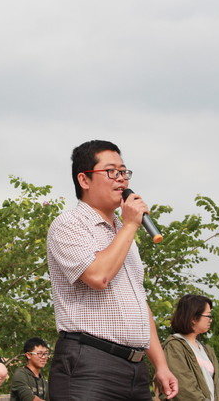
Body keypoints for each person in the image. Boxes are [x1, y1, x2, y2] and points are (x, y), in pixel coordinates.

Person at [47, 140, 178, 401]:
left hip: (135, 369)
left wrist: (161, 365)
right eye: (111, 171)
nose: (121, 179)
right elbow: (98, 276)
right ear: (84, 179)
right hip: (89, 365)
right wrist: (130, 226)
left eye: (123, 171)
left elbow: (139, 302)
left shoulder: (123, 233)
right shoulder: (68, 224)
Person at [161, 294, 219, 401]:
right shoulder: (174, 346)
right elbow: (183, 386)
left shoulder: (206, 349)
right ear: (193, 318)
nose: (210, 320)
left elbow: (212, 384)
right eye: (208, 316)